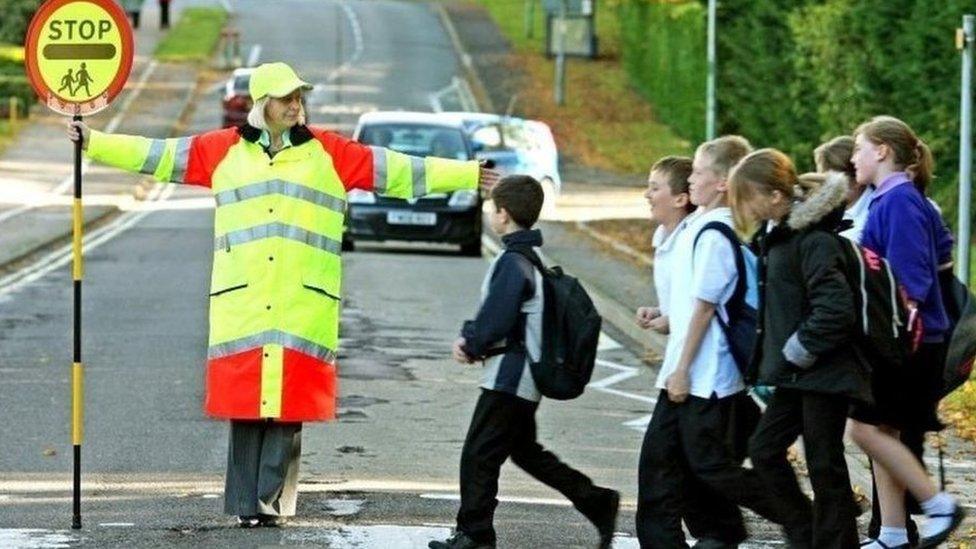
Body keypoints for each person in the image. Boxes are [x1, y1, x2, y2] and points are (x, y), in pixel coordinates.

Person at [67, 62, 499, 528]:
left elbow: (397, 170)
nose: (296, 104)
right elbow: (158, 155)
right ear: (261, 104)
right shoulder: (221, 150)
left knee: (287, 411)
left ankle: (271, 505)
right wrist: (93, 141)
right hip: (244, 302)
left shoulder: (329, 153)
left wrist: (467, 174)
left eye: (299, 97)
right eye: (286, 97)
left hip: (301, 303)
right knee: (246, 408)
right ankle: (243, 506)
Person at [430, 175, 619, 549]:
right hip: (523, 376)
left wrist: (469, 342)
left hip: (510, 377)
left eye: (492, 208)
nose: (490, 214)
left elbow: (498, 317)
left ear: (503, 214)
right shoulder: (529, 257)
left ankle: (475, 534)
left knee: (478, 455)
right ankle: (597, 501)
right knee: (525, 453)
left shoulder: (514, 262)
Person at [636, 136, 790, 548]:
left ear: (722, 183)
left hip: (704, 376)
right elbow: (693, 308)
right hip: (690, 373)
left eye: (699, 172)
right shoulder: (697, 230)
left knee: (705, 469)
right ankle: (721, 534)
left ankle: (812, 518)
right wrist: (665, 318)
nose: (693, 177)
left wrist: (681, 370)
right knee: (675, 469)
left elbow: (705, 310)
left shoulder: (714, 235)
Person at [729, 150, 870, 549]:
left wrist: (798, 348)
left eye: (749, 198)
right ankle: (807, 531)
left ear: (776, 196)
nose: (744, 208)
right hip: (799, 373)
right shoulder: (779, 238)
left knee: (824, 462)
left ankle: (834, 542)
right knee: (766, 448)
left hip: (823, 371)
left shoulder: (813, 241)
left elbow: (835, 308)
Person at [847, 115, 963, 549]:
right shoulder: (890, 199)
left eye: (859, 148)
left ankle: (938, 505)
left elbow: (911, 282)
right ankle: (893, 532)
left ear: (882, 151)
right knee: (882, 432)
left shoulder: (899, 203)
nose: (853, 157)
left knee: (866, 431)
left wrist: (885, 334)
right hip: (905, 339)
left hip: (907, 342)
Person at [635, 155, 695, 337]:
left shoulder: (693, 243)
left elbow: (706, 306)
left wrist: (672, 320)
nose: (647, 194)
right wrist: (660, 312)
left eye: (655, 188)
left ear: (680, 200)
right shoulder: (663, 236)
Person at [814, 136, 872, 242]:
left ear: (856, 181)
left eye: (832, 182)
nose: (826, 188)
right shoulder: (828, 211)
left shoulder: (873, 212)